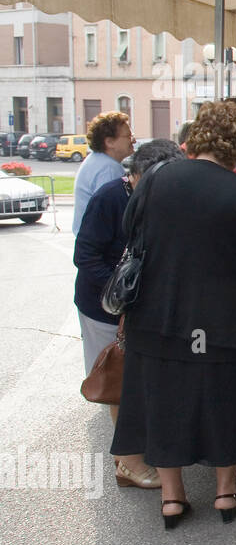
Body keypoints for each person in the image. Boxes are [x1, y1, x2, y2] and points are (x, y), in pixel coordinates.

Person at [111, 103, 236, 528]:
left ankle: (173, 498)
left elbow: (131, 230)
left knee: (163, 401)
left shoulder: (156, 180)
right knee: (224, 400)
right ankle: (225, 494)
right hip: (221, 320)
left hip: (155, 316)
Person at [73, 139, 186, 490]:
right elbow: (85, 254)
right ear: (137, 174)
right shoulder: (110, 197)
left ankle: (139, 452)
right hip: (105, 307)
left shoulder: (159, 197)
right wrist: (122, 292)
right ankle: (128, 463)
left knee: (139, 380)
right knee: (118, 381)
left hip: (141, 308)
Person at [72, 111, 133, 235]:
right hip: (100, 244)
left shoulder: (98, 160)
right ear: (109, 142)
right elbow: (114, 211)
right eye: (128, 136)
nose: (134, 140)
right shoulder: (108, 169)